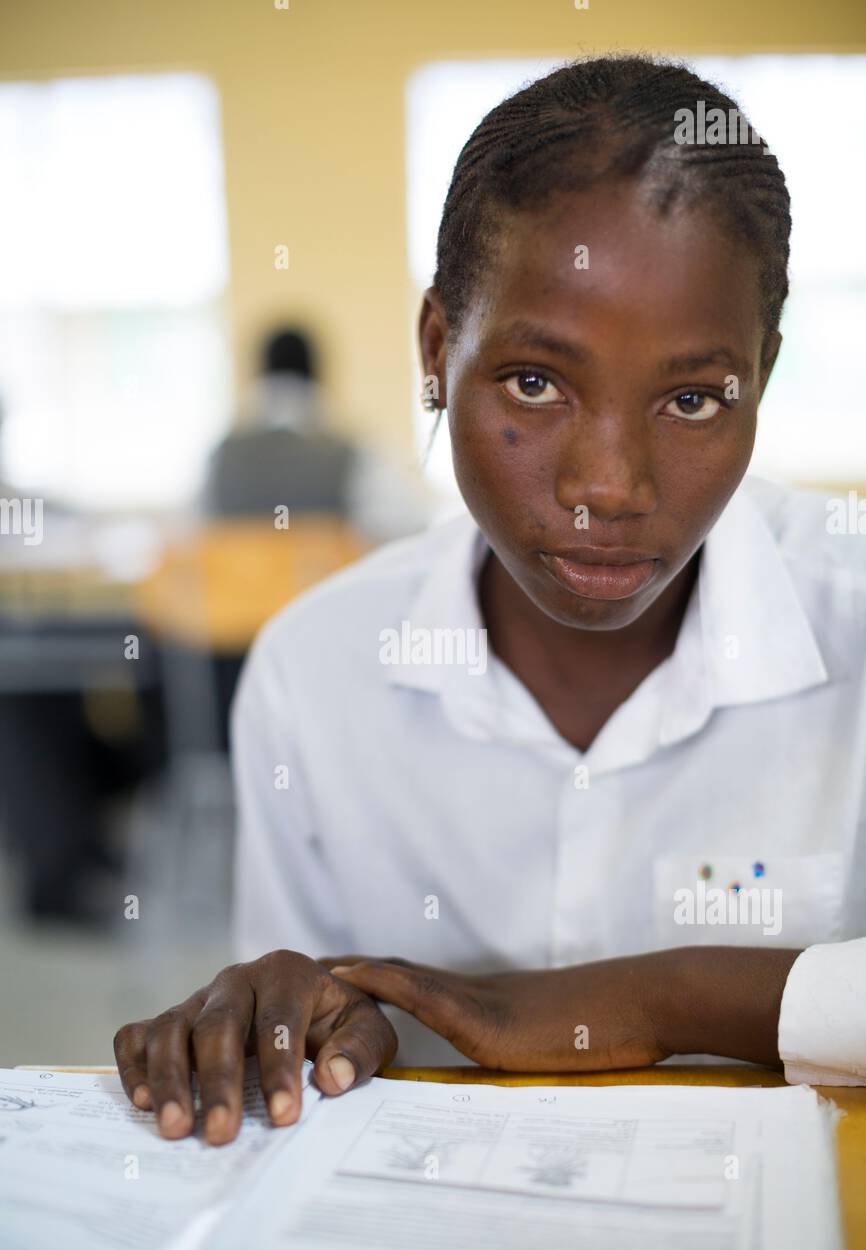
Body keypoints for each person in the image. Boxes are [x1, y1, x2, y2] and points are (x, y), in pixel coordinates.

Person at [114, 55, 866, 1145]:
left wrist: (647, 999)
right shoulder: (313, 673)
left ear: (764, 368)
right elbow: (322, 1045)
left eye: (693, 397)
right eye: (533, 383)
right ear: (435, 350)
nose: (608, 485)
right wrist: (327, 1025)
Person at [201, 325, 430, 542]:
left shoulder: (221, 457)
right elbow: (412, 522)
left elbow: (192, 535)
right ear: (318, 371)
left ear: (259, 371)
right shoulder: (354, 452)